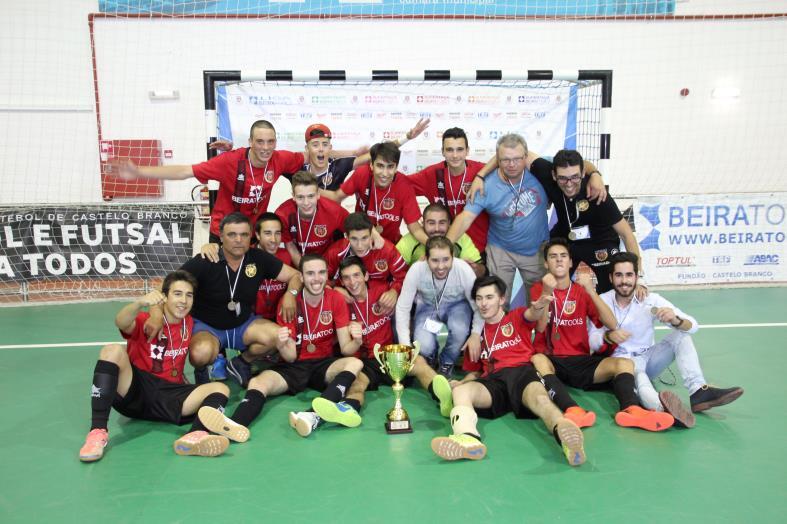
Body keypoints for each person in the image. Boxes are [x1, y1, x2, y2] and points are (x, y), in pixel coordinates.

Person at [78, 271, 249, 462]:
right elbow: (121, 321)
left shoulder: (190, 322)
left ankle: (195, 436)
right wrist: (140, 303)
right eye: (177, 294)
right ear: (164, 297)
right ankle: (97, 432)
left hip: (170, 394)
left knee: (220, 388)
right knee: (112, 351)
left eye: (189, 295)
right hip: (137, 390)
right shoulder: (147, 321)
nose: (183, 300)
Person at [199, 255, 364, 437]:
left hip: (323, 365)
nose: (316, 278)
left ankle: (312, 416)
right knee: (257, 382)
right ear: (301, 277)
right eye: (310, 273)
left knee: (355, 363)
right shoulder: (289, 305)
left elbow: (345, 348)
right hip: (293, 366)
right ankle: (235, 425)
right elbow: (291, 356)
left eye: (321, 273)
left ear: (327, 275)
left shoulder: (335, 299)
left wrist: (356, 340)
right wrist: (283, 342)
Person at [430, 275, 586, 466]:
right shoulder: (476, 335)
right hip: (494, 382)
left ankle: (565, 435)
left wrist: (542, 301)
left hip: (521, 373)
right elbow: (475, 372)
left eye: (489, 297)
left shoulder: (516, 317)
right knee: (461, 392)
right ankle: (468, 439)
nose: (483, 304)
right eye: (479, 298)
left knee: (541, 400)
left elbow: (532, 314)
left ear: (502, 299)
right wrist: (460, 383)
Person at [289, 256, 454, 437]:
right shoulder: (341, 301)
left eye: (356, 275)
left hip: (388, 356)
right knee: (357, 384)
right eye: (346, 278)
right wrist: (329, 287)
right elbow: (317, 289)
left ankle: (443, 398)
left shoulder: (383, 293)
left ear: (366, 276)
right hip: (363, 361)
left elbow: (403, 283)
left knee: (419, 362)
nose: (352, 282)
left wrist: (394, 291)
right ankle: (349, 410)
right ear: (341, 281)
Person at [529, 238, 675, 431]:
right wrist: (547, 292)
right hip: (552, 361)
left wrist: (590, 290)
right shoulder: (537, 289)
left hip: (581, 361)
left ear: (571, 262)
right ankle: (572, 410)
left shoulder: (581, 291)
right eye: (553, 257)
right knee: (538, 359)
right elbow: (539, 327)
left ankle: (631, 410)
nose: (559, 261)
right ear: (546, 263)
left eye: (563, 256)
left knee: (624, 363)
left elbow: (612, 324)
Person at [589, 252, 744, 425]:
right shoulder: (602, 301)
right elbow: (591, 341)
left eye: (629, 275)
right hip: (621, 363)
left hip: (649, 357)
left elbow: (693, 326)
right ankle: (664, 409)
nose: (624, 281)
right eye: (618, 275)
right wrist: (608, 336)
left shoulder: (649, 299)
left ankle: (698, 391)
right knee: (642, 384)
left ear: (636, 276)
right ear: (610, 277)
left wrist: (674, 319)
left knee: (681, 335)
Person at [119, 120, 306, 242]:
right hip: (223, 232)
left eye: (270, 142)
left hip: (252, 233)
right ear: (250, 141)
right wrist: (139, 171)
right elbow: (185, 171)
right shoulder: (229, 161)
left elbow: (312, 155)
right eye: (260, 141)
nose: (265, 147)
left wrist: (333, 152)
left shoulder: (281, 159)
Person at [177, 212, 301, 386]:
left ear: (250, 236)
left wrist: (291, 294)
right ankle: (201, 370)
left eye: (243, 235)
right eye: (232, 235)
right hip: (209, 327)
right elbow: (171, 285)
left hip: (243, 324)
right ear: (221, 236)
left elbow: (295, 275)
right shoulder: (205, 260)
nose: (238, 240)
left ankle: (241, 362)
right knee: (200, 354)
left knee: (279, 338)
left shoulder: (258, 258)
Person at [546, 149, 641, 292]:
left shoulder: (598, 194)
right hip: (567, 238)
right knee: (552, 284)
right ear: (554, 175)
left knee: (613, 290)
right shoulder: (549, 176)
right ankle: (559, 310)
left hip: (600, 242)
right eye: (563, 178)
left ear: (583, 174)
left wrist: (639, 276)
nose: (569, 183)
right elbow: (523, 155)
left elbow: (627, 234)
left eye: (575, 177)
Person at [395, 236, 483, 377]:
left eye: (446, 260)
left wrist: (476, 333)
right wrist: (406, 347)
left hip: (458, 306)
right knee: (423, 345)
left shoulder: (463, 270)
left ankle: (446, 362)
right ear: (426, 258)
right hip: (428, 307)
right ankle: (429, 360)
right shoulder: (416, 270)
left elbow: (478, 305)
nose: (441, 266)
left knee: (459, 329)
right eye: (435, 260)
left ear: (453, 256)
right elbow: (402, 307)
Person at [325, 142, 427, 245]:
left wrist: (433, 246)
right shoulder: (362, 174)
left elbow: (415, 228)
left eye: (390, 167)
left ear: (396, 168)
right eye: (380, 166)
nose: (384, 173)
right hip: (362, 244)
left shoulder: (404, 185)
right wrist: (312, 189)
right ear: (371, 165)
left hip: (391, 245)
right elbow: (336, 197)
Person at [406, 127, 490, 252]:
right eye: (450, 150)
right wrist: (404, 139)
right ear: (442, 151)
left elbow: (505, 159)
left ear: (467, 151)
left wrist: (480, 175)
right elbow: (394, 181)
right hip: (443, 252)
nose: (455, 155)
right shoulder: (431, 174)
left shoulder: (481, 171)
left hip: (479, 249)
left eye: (460, 149)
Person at [325, 212, 407, 315]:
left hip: (382, 304)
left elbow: (404, 276)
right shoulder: (335, 252)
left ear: (371, 235)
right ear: (346, 236)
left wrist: (394, 292)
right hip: (348, 303)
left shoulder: (387, 250)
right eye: (354, 239)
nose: (360, 245)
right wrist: (333, 290)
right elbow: (319, 279)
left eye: (364, 238)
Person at [274, 170, 349, 266]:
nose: (306, 203)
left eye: (310, 196)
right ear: (293, 196)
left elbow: (356, 227)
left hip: (326, 260)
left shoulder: (334, 210)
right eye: (300, 197)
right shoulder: (282, 214)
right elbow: (290, 246)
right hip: (298, 262)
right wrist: (305, 271)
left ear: (318, 194)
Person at [396, 202, 484, 276]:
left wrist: (475, 268)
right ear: (423, 223)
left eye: (442, 223)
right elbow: (393, 273)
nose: (437, 229)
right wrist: (416, 269)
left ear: (449, 223)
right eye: (431, 223)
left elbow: (482, 270)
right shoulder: (409, 240)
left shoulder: (460, 237)